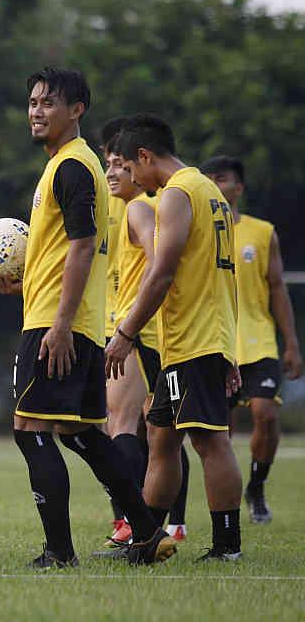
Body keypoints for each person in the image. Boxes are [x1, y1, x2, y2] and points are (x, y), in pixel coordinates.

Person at [0, 69, 171, 568]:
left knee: (30, 429)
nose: (36, 111)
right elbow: (64, 252)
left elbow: (85, 246)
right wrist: (24, 285)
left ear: (77, 110)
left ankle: (58, 552)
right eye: (32, 102)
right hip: (68, 319)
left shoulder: (72, 166)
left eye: (48, 103)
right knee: (83, 434)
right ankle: (149, 531)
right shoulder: (66, 167)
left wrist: (60, 324)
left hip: (57, 326)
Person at [106, 114, 244, 561]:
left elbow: (161, 271)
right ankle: (147, 540)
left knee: (209, 440)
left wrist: (126, 331)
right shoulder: (210, 194)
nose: (129, 176)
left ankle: (227, 546)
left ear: (145, 157)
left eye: (129, 166)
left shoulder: (179, 192)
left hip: (194, 336)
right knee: (160, 437)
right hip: (193, 337)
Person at [203, 155, 301, 525]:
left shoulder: (262, 232)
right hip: (216, 339)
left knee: (265, 413)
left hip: (258, 340)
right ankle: (224, 509)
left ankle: (257, 487)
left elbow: (277, 288)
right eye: (209, 179)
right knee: (218, 432)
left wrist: (291, 343)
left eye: (222, 178)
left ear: (238, 187)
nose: (216, 184)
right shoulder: (200, 229)